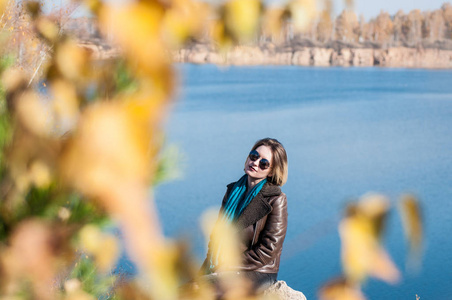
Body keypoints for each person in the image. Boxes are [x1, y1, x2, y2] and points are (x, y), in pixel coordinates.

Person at [201, 137, 288, 295]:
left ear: (272, 171)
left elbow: (269, 250)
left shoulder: (276, 199)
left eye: (264, 163)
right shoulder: (232, 191)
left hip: (258, 271)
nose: (255, 162)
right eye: (254, 156)